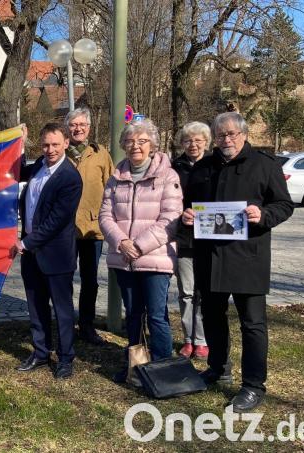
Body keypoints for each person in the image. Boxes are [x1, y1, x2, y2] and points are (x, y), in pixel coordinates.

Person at [182, 112, 293, 412]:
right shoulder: (203, 167)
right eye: (220, 135)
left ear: (244, 134)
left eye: (231, 134)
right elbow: (189, 206)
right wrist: (187, 216)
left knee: (252, 324)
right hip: (210, 257)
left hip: (248, 258)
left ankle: (254, 385)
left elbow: (284, 204)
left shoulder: (264, 165)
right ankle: (218, 368)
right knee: (213, 317)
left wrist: (264, 215)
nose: (226, 139)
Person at [99, 118, 182, 384]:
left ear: (153, 145)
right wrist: (122, 242)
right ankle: (135, 367)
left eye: (142, 141)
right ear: (123, 145)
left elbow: (171, 218)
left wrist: (139, 245)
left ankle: (163, 371)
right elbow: (105, 216)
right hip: (124, 259)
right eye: (130, 141)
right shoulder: (116, 177)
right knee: (133, 315)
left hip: (155, 258)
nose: (136, 146)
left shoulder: (168, 176)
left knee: (156, 316)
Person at [12, 122, 82, 379]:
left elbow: (56, 221)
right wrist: (19, 143)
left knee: (62, 310)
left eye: (55, 145)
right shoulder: (39, 165)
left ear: (66, 143)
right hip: (31, 254)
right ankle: (40, 352)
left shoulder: (70, 178)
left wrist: (26, 243)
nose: (50, 150)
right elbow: (16, 171)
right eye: (45, 145)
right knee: (36, 305)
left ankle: (65, 358)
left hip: (56, 255)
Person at [65, 108, 115, 345]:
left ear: (89, 128)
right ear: (67, 128)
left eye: (82, 125)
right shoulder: (60, 151)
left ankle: (86, 325)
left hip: (92, 229)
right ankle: (65, 324)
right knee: (64, 279)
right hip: (65, 229)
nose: (78, 129)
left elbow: (112, 188)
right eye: (74, 125)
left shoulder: (100, 153)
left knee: (90, 281)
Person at [172, 122, 210, 360]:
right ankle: (188, 338)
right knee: (186, 292)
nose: (193, 145)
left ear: (206, 142)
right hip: (184, 239)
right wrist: (181, 215)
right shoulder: (174, 168)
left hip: (210, 238)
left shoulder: (215, 165)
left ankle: (202, 340)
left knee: (204, 292)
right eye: (188, 140)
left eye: (198, 140)